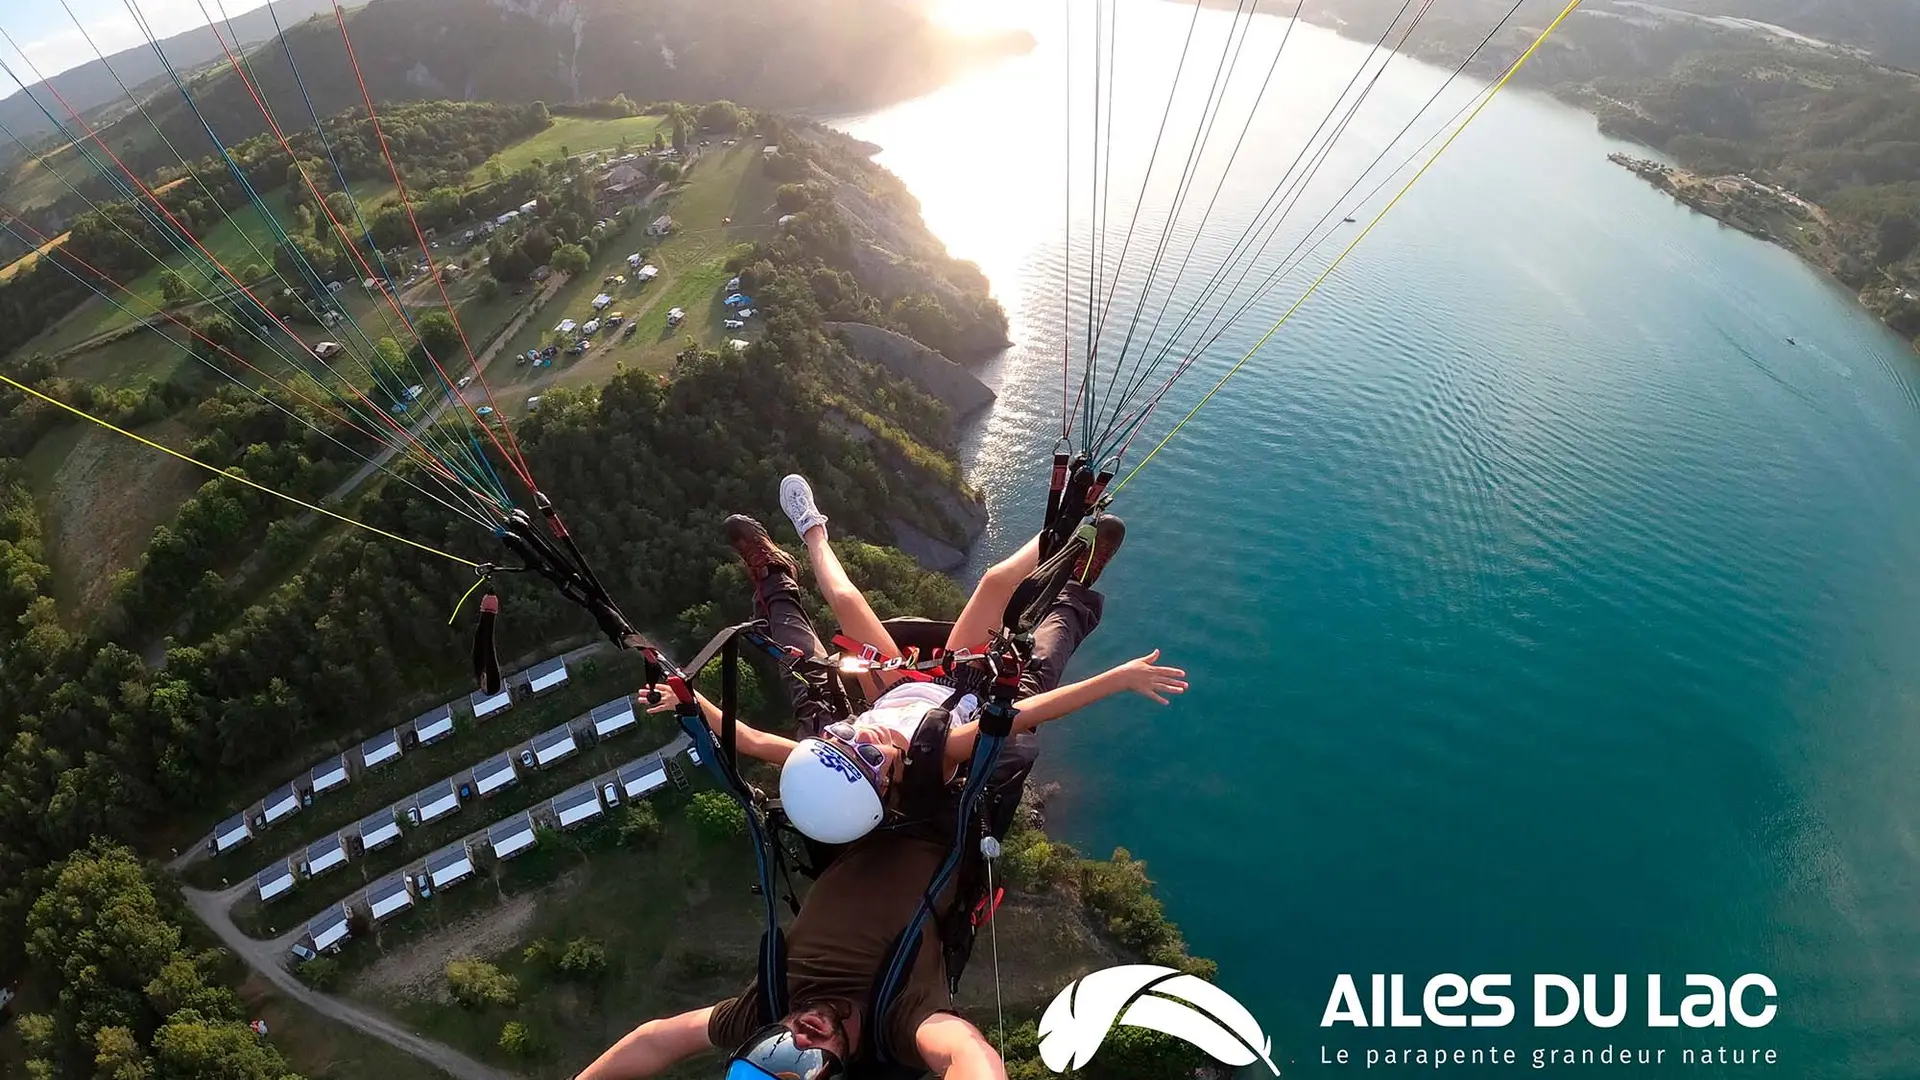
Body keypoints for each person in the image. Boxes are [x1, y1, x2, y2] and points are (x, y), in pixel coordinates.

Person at [577, 476, 1185, 1080]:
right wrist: (1116, 680)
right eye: (805, 1057)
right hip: (931, 795)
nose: (795, 1033)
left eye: (773, 1048)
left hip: (855, 788)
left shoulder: (762, 1011)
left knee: (812, 672)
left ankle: (781, 568)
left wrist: (695, 704)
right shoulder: (900, 1024)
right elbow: (966, 1057)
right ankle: (1074, 579)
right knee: (1029, 672)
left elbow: (657, 1040)